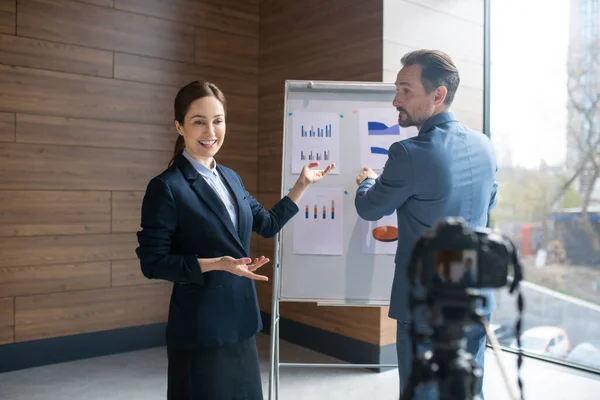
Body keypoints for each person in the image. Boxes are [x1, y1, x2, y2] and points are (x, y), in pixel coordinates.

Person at [135, 80, 335, 400]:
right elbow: (152, 262)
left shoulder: (230, 177)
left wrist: (301, 185)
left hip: (241, 321)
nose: (210, 131)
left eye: (218, 120)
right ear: (179, 126)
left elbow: (267, 225)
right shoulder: (167, 187)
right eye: (198, 121)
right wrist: (217, 264)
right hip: (200, 328)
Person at [354, 50, 498, 399]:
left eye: (406, 90)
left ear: (438, 95)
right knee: (465, 389)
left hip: (424, 303)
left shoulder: (409, 153)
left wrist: (367, 180)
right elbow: (484, 206)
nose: (395, 100)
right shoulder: (485, 147)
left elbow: (370, 208)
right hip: (473, 295)